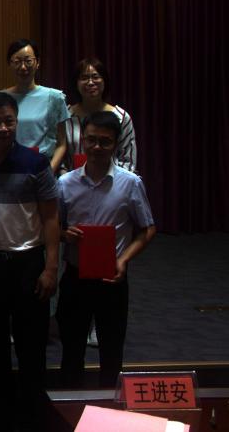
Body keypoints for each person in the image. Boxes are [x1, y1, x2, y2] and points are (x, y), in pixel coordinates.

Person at [0, 92, 60, 432]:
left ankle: (33, 415)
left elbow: (51, 218)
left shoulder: (36, 163)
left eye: (9, 121)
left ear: (17, 122)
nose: (3, 128)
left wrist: (51, 268)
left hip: (28, 264)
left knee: (32, 346)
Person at [57, 111, 155, 388]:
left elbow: (147, 229)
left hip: (112, 277)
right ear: (83, 141)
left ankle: (110, 408)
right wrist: (64, 234)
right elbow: (53, 229)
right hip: (75, 276)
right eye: (91, 140)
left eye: (105, 141)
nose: (97, 147)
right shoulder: (65, 183)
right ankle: (71, 406)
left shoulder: (130, 183)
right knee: (71, 349)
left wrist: (124, 260)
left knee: (112, 351)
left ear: (116, 144)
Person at [2, 39, 70, 173]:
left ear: (37, 62)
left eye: (28, 61)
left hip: (43, 167)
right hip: (10, 169)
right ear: (10, 64)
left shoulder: (54, 97)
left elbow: (62, 144)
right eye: (17, 62)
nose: (23, 67)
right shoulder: (1, 98)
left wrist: (48, 172)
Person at [60, 57, 137, 173]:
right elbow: (60, 157)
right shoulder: (65, 116)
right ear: (76, 83)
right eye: (84, 78)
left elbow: (128, 160)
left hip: (113, 181)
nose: (90, 82)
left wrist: (115, 181)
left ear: (104, 81)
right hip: (72, 181)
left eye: (95, 77)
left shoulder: (121, 117)